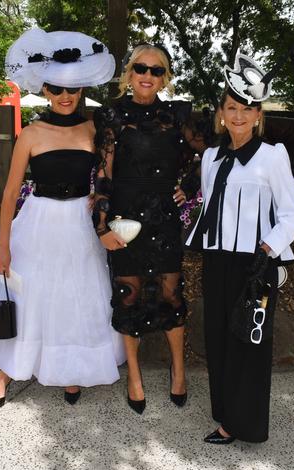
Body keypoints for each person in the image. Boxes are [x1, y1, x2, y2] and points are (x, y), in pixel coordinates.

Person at [0, 28, 124, 410]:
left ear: (81, 90)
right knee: (28, 294)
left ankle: (70, 370)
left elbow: (107, 178)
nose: (65, 96)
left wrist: (99, 199)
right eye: (56, 88)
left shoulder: (94, 130)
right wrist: (3, 247)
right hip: (39, 220)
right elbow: (9, 194)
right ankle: (5, 374)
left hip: (80, 225)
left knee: (74, 298)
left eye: (72, 89)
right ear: (45, 90)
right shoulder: (30, 133)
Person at [185, 50, 294, 444]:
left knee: (249, 343)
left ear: (258, 115)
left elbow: (293, 214)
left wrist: (267, 249)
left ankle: (244, 425)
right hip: (217, 261)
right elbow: (209, 205)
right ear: (221, 111)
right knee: (218, 339)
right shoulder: (210, 157)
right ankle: (226, 416)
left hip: (256, 264)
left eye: (247, 109)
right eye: (231, 107)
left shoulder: (273, 157)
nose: (238, 116)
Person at [93, 44, 197, 414]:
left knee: (171, 292)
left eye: (156, 70)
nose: (147, 76)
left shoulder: (177, 114)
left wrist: (192, 184)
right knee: (129, 292)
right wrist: (101, 225)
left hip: (165, 216)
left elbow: (208, 152)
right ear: (129, 72)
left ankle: (179, 371)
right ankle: (134, 377)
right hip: (126, 217)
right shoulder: (111, 115)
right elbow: (103, 173)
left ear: (164, 77)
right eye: (141, 68)